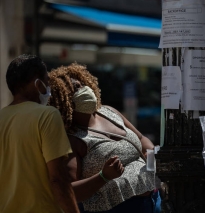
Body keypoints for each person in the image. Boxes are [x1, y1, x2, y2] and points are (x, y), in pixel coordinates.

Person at [48, 62, 161, 213]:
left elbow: (141, 139)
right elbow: (69, 191)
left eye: (82, 84)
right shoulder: (73, 139)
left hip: (152, 200)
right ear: (64, 100)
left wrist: (151, 153)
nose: (84, 89)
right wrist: (103, 176)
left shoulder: (109, 111)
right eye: (76, 88)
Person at [0, 54, 80, 212]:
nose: (48, 87)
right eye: (46, 81)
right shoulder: (48, 116)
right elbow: (58, 178)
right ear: (37, 82)